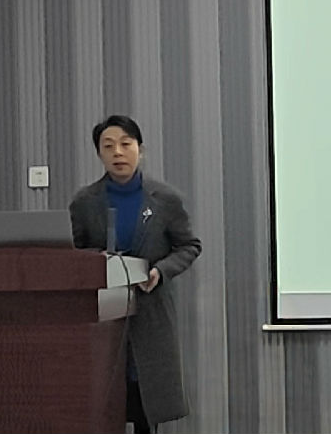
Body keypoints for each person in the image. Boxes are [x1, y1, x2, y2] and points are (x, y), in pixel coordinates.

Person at [68, 115, 202, 434]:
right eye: (108, 146)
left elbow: (189, 246)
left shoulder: (166, 199)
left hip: (150, 309)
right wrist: (96, 262)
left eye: (125, 144)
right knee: (105, 396)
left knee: (145, 398)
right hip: (103, 314)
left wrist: (160, 271)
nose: (118, 152)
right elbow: (74, 251)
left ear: (140, 149)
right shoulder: (85, 202)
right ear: (99, 153)